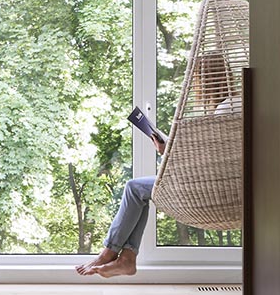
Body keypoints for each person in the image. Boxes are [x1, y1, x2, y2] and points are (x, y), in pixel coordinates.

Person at [75, 53, 239, 278]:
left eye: (198, 81)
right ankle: (126, 259)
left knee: (134, 188)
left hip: (211, 189)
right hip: (227, 183)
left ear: (207, 79)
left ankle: (110, 253)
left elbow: (205, 164)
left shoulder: (224, 112)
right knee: (140, 191)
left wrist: (165, 152)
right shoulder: (235, 106)